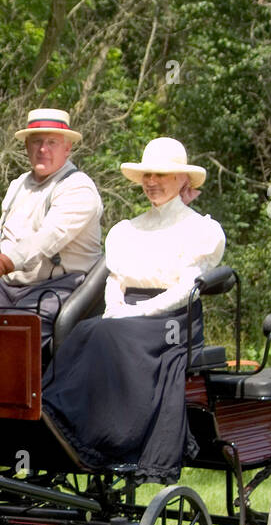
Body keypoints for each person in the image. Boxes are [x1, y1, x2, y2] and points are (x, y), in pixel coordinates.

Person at [42, 137, 225, 482]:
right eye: (147, 175)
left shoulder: (199, 229)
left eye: (161, 175)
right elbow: (116, 279)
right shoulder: (128, 230)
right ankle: (57, 417)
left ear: (182, 180)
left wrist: (136, 314)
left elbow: (187, 288)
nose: (152, 182)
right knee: (87, 330)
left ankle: (104, 435)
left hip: (173, 320)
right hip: (126, 314)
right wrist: (115, 307)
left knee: (108, 334)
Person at [0, 108, 103, 345]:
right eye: (36, 142)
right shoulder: (18, 185)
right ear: (26, 146)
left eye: (51, 142)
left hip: (58, 287)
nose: (43, 149)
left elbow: (47, 238)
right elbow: (4, 232)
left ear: (67, 148)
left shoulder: (79, 188)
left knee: (9, 345)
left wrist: (0, 263)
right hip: (8, 287)